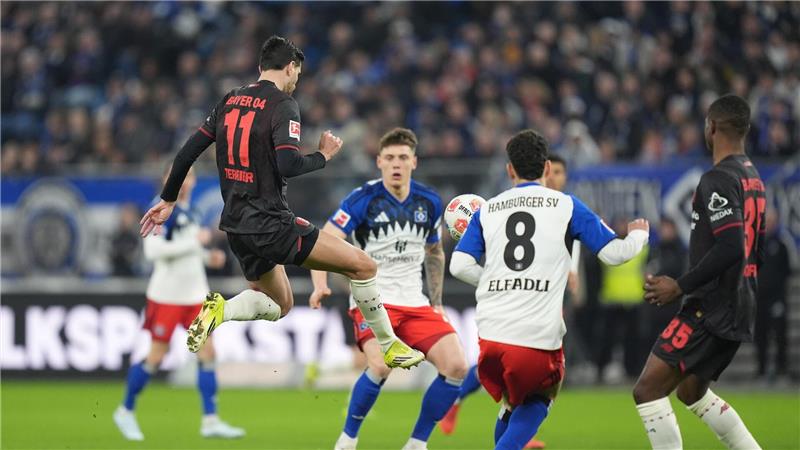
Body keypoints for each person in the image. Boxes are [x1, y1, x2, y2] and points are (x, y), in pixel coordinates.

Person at [139, 36, 424, 370]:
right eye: (297, 75)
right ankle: (389, 345)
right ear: (290, 67)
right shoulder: (282, 105)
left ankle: (222, 310)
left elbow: (187, 152)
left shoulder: (229, 100)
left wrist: (169, 198)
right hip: (272, 224)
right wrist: (323, 156)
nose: (295, 82)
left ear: (261, 66)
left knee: (281, 303)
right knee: (364, 266)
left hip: (235, 226)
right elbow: (289, 164)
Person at [450, 129, 649, 450]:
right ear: (546, 168)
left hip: (490, 339)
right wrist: (639, 234)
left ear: (509, 170)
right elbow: (616, 254)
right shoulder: (566, 205)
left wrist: (496, 280)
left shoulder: (487, 209)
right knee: (542, 397)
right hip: (536, 338)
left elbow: (458, 265)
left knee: (512, 406)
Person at [310, 128, 468, 450]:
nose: (397, 164)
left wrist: (436, 301)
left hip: (416, 303)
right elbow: (323, 242)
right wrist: (320, 284)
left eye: (403, 158)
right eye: (391, 158)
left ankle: (416, 443)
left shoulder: (430, 201)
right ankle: (348, 439)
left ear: (414, 162)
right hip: (373, 300)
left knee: (457, 366)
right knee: (380, 364)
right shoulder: (362, 199)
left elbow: (434, 251)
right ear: (379, 161)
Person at [634, 94, 763, 450]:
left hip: (712, 305)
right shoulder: (752, 177)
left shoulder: (717, 179)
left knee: (647, 389)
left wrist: (680, 286)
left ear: (711, 128)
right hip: (739, 301)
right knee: (691, 391)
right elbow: (755, 248)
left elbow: (732, 245)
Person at [439, 155, 580, 449]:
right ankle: (495, 425)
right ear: (542, 172)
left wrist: (573, 271)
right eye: (551, 171)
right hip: (515, 298)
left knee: (512, 379)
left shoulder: (561, 208)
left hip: (538, 294)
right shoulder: (518, 206)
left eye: (560, 173)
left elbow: (569, 244)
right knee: (536, 381)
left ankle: (515, 436)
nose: (555, 177)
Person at [113, 168, 243, 441]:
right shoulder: (160, 209)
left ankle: (210, 420)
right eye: (179, 177)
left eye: (189, 176)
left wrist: (208, 258)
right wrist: (194, 243)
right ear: (167, 180)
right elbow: (153, 251)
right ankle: (126, 410)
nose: (185, 182)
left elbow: (190, 250)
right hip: (168, 296)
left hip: (196, 296)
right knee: (156, 357)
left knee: (208, 353)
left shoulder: (191, 210)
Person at [754, 210, 791, 382]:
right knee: (760, 333)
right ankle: (761, 370)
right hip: (759, 297)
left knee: (779, 332)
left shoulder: (781, 244)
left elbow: (786, 271)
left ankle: (781, 369)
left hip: (776, 297)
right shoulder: (756, 245)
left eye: (771, 221)